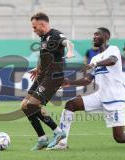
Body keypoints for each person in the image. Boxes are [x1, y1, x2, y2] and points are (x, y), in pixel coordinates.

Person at [47, 27, 125, 149]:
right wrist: (69, 82)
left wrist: (95, 64)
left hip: (114, 98)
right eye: (93, 35)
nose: (94, 37)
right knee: (70, 105)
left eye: (97, 34)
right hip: (98, 96)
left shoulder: (113, 50)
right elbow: (87, 80)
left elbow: (113, 60)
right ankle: (62, 142)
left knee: (119, 138)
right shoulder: (94, 58)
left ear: (106, 37)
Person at [21, 12, 74, 150]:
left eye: (34, 27)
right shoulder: (44, 39)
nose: (33, 30)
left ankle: (58, 132)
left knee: (33, 106)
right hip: (42, 75)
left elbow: (67, 42)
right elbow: (47, 57)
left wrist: (70, 51)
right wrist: (38, 68)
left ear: (42, 24)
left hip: (53, 77)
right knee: (25, 106)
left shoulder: (56, 35)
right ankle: (42, 139)